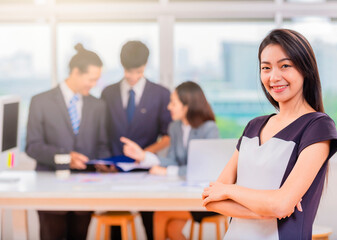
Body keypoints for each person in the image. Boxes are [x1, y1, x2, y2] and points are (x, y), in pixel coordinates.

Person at [201, 29, 337, 240]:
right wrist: (268, 208)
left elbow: (281, 204)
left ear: (305, 69)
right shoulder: (253, 126)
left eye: (285, 65)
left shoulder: (318, 126)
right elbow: (212, 199)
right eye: (266, 68)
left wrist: (230, 191)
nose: (274, 77)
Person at [26, 43, 111, 240]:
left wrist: (105, 163)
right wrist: (65, 158)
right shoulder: (40, 101)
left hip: (86, 188)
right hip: (50, 187)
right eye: (91, 79)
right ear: (75, 72)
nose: (93, 85)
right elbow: (33, 145)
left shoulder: (98, 106)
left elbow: (102, 145)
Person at [121, 81, 219, 240]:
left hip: (203, 199)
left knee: (160, 215)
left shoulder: (209, 129)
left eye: (173, 103)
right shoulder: (175, 127)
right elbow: (172, 160)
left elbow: (202, 170)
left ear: (187, 105)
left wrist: (167, 171)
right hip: (183, 195)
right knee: (173, 230)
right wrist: (144, 156)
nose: (169, 107)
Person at [100, 40, 172, 240]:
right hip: (114, 171)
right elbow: (101, 133)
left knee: (152, 226)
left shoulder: (161, 94)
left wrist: (143, 155)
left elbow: (168, 136)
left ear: (146, 65)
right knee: (116, 228)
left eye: (138, 72)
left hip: (147, 169)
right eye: (128, 72)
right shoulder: (108, 93)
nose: (132, 77)